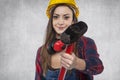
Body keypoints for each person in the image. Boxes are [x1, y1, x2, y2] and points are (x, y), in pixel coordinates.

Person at [35, 0, 104, 80]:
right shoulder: (41, 51)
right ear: (51, 21)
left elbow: (98, 67)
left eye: (66, 17)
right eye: (56, 17)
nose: (60, 22)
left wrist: (77, 63)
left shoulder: (86, 43)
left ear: (73, 21)